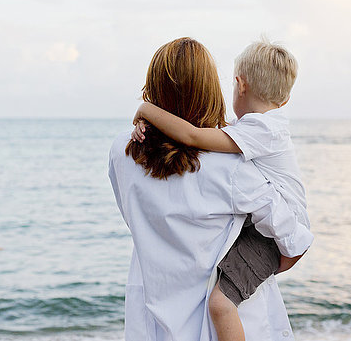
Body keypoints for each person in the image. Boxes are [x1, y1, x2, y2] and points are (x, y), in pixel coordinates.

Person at [108, 37, 313, 340]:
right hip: (233, 323)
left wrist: (145, 113)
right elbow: (294, 237)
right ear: (209, 90)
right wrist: (266, 267)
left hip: (155, 320)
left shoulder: (121, 153)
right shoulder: (232, 168)